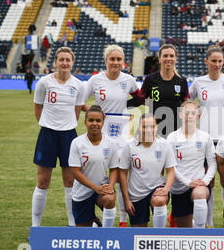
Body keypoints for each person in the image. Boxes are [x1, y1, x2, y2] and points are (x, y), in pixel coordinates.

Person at [84, 44, 140, 227]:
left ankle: (123, 220)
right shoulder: (95, 80)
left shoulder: (129, 80)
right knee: (95, 173)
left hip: (122, 134)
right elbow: (80, 101)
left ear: (123, 62)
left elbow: (139, 97)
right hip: (99, 133)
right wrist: (94, 114)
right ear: (106, 60)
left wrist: (126, 111)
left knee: (122, 176)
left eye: (118, 59)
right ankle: (91, 215)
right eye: (112, 59)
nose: (115, 62)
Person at [31, 47, 85, 227]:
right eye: (61, 59)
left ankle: (72, 224)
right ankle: (36, 226)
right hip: (47, 134)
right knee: (43, 181)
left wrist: (64, 126)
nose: (64, 63)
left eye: (68, 60)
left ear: (72, 62)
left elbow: (76, 113)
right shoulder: (44, 83)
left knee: (70, 180)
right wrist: (50, 125)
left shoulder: (78, 85)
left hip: (69, 136)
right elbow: (38, 111)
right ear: (55, 62)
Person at [189, 45, 224, 227]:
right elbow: (188, 102)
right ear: (206, 62)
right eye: (214, 61)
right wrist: (195, 110)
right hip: (205, 139)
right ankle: (208, 223)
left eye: (220, 61)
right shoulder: (198, 82)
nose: (217, 64)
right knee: (206, 182)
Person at [119, 114, 176, 227]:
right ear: (139, 127)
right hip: (136, 194)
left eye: (152, 126)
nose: (149, 130)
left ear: (157, 127)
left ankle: (159, 236)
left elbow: (170, 170)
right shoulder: (130, 146)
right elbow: (122, 174)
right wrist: (126, 200)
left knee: (159, 200)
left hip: (157, 187)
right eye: (145, 126)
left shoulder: (164, 145)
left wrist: (166, 189)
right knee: (138, 232)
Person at [166, 100, 216, 228]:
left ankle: (201, 231)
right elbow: (171, 167)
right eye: (186, 113)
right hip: (179, 188)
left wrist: (205, 181)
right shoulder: (172, 138)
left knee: (199, 194)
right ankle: (193, 224)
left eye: (193, 113)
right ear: (180, 115)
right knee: (185, 230)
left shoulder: (205, 137)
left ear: (198, 116)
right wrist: (187, 182)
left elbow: (212, 163)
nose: (189, 116)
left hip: (199, 185)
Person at [68, 105, 119, 227]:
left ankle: (107, 233)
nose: (94, 124)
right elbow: (75, 171)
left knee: (109, 199)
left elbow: (113, 169)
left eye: (98, 120)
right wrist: (95, 187)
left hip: (102, 188)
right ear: (85, 122)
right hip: (81, 191)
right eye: (91, 120)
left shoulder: (110, 143)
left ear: (103, 122)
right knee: (83, 234)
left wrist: (110, 187)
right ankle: (94, 222)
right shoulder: (77, 143)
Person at [127, 44, 189, 138]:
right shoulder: (150, 79)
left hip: (176, 131)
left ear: (176, 59)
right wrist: (119, 105)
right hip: (154, 129)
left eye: (171, 56)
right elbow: (139, 99)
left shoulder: (182, 81)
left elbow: (186, 105)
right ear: (159, 59)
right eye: (165, 56)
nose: (168, 58)